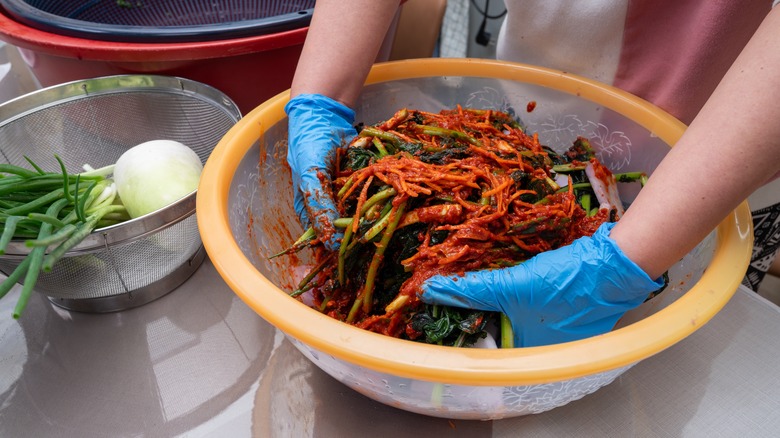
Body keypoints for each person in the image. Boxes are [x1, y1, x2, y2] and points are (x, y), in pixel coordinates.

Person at [284, 0, 780, 347]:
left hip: (724, 178)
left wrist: (626, 262)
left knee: (680, 356)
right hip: (532, 122)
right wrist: (321, 96)